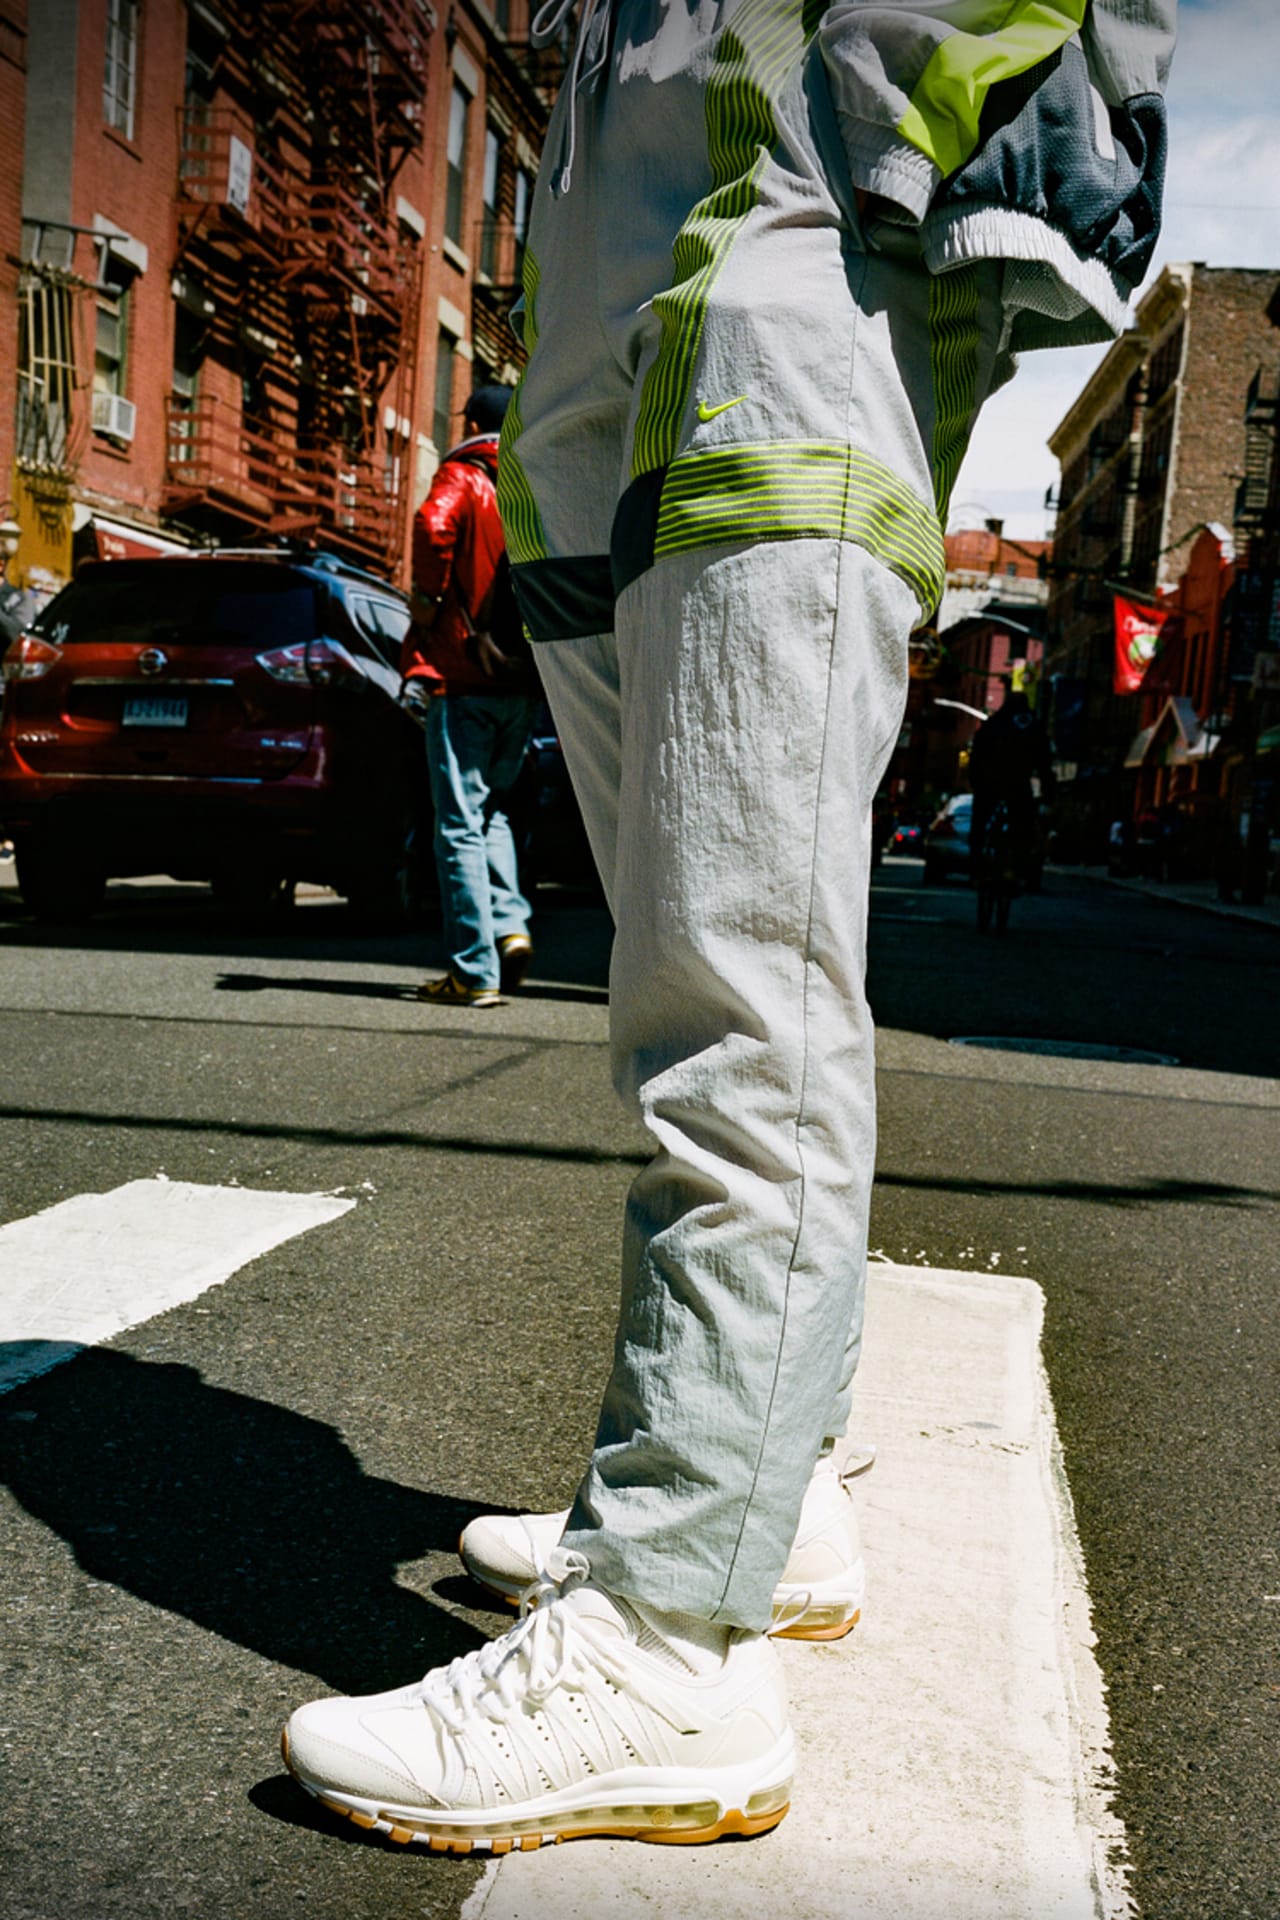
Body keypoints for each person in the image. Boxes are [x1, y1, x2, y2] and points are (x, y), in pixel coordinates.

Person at [285, 0, 1175, 1853]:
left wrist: (884, 140)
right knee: (683, 979)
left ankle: (669, 1639)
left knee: (734, 1006)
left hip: (791, 267)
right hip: (617, 326)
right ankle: (770, 1506)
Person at [403, 385, 539, 1008]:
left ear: (476, 423)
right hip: (522, 676)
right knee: (495, 814)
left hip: (463, 672)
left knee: (457, 824)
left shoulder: (465, 473)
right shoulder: (535, 473)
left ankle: (471, 970)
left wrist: (427, 602)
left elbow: (433, 525)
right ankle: (510, 927)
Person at [967, 688, 1054, 889]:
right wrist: (1048, 791)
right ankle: (1017, 870)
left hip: (989, 784)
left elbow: (975, 757)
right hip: (1018, 784)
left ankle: (976, 869)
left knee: (980, 824)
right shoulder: (1034, 726)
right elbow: (1044, 762)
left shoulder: (993, 724)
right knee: (1024, 827)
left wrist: (975, 782)